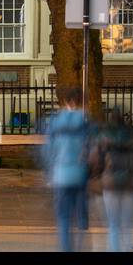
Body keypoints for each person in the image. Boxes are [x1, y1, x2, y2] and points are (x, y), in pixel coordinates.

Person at [90, 107, 133, 252]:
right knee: (127, 226)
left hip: (110, 184)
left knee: (113, 226)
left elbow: (96, 162)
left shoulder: (104, 137)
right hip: (130, 185)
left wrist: (95, 179)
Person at [42, 87, 93, 252]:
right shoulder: (85, 122)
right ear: (81, 102)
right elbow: (92, 149)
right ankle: (80, 245)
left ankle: (66, 249)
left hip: (61, 174)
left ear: (64, 102)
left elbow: (48, 150)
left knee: (63, 216)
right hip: (80, 174)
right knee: (81, 218)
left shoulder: (55, 122)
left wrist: (49, 172)